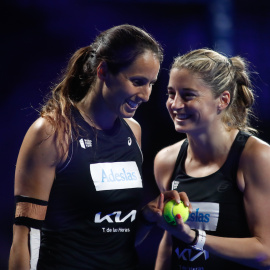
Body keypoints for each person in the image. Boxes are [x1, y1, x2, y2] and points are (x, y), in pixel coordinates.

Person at [8, 24, 181, 270]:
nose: (146, 95)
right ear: (103, 71)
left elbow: (117, 239)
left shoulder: (134, 132)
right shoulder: (50, 132)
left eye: (151, 83)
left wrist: (147, 217)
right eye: (137, 81)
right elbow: (25, 237)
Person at [154, 48, 270, 269]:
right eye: (171, 94)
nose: (175, 105)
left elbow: (266, 253)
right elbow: (169, 240)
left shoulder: (256, 157)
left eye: (188, 95)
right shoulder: (165, 160)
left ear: (223, 100)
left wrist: (195, 238)